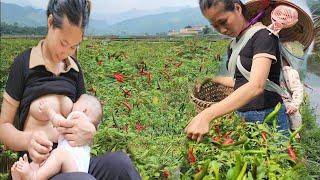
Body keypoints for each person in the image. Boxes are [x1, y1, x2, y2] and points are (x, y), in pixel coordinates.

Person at [0, 0, 141, 179]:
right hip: (37, 170)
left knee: (121, 165)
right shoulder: (24, 64)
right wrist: (28, 141)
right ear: (50, 22)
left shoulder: (74, 69)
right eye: (63, 43)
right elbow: (3, 127)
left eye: (73, 46)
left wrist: (90, 132)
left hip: (72, 162)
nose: (66, 52)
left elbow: (86, 111)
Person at [185, 0, 314, 141]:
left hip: (267, 115)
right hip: (242, 115)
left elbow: (255, 86)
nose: (222, 30)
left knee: (277, 158)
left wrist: (206, 115)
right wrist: (210, 79)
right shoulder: (234, 45)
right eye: (215, 26)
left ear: (237, 8)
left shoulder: (264, 36)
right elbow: (239, 81)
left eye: (223, 22)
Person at [11, 94, 101, 180]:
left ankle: (34, 177)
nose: (73, 104)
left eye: (76, 102)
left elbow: (61, 124)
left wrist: (49, 112)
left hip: (73, 165)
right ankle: (22, 175)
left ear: (84, 110)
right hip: (78, 167)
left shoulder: (79, 117)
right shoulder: (86, 131)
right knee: (45, 159)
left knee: (58, 154)